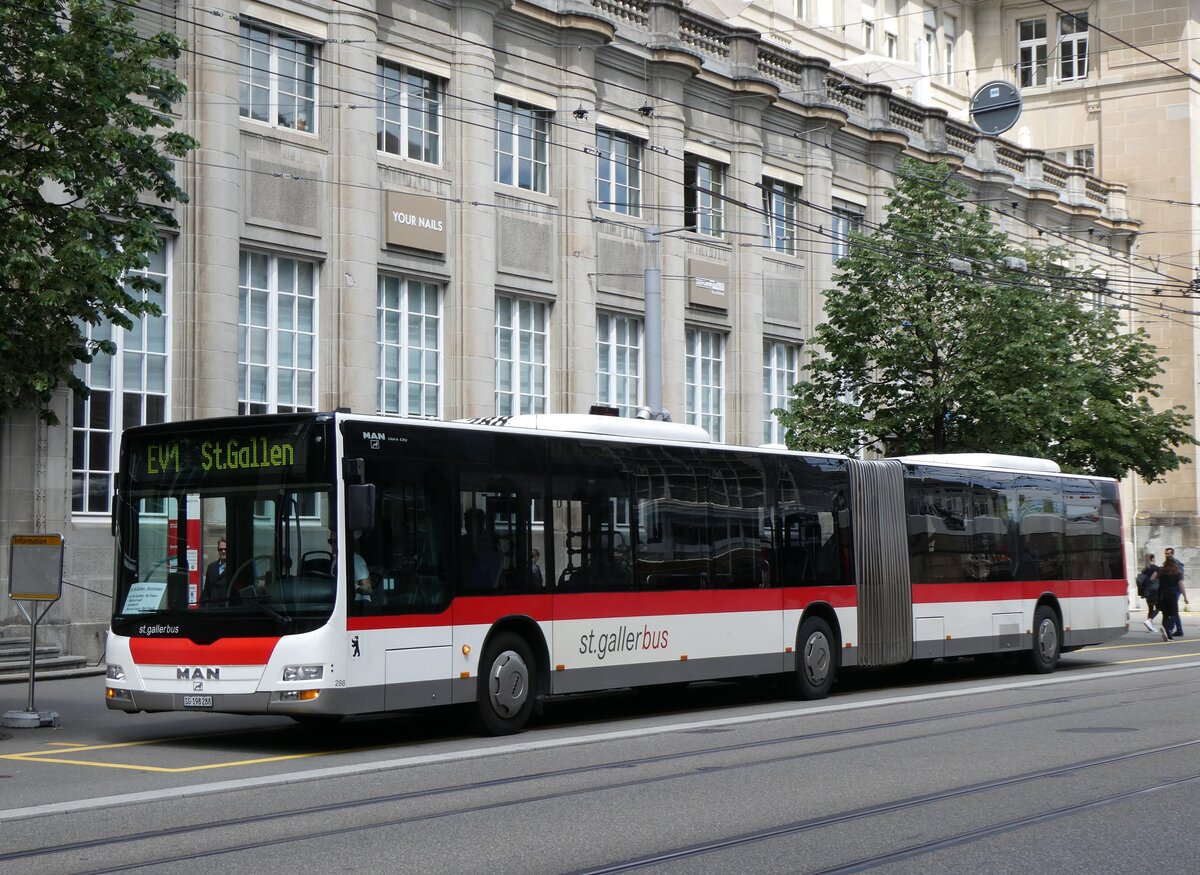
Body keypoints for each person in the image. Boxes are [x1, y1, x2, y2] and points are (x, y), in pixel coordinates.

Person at [1156, 556, 1185, 640]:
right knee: (1174, 613)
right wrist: (1185, 597)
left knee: (1165, 614)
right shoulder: (1177, 573)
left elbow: (1152, 578)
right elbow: (1181, 586)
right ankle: (1167, 627)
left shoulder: (1161, 571)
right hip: (1172, 595)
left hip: (1162, 594)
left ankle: (1168, 635)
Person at [1138, 553, 1160, 633]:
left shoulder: (1144, 569)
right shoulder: (1156, 568)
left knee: (1150, 609)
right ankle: (1149, 621)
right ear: (1153, 559)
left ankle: (1150, 626)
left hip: (1146, 592)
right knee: (1159, 607)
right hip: (1154, 591)